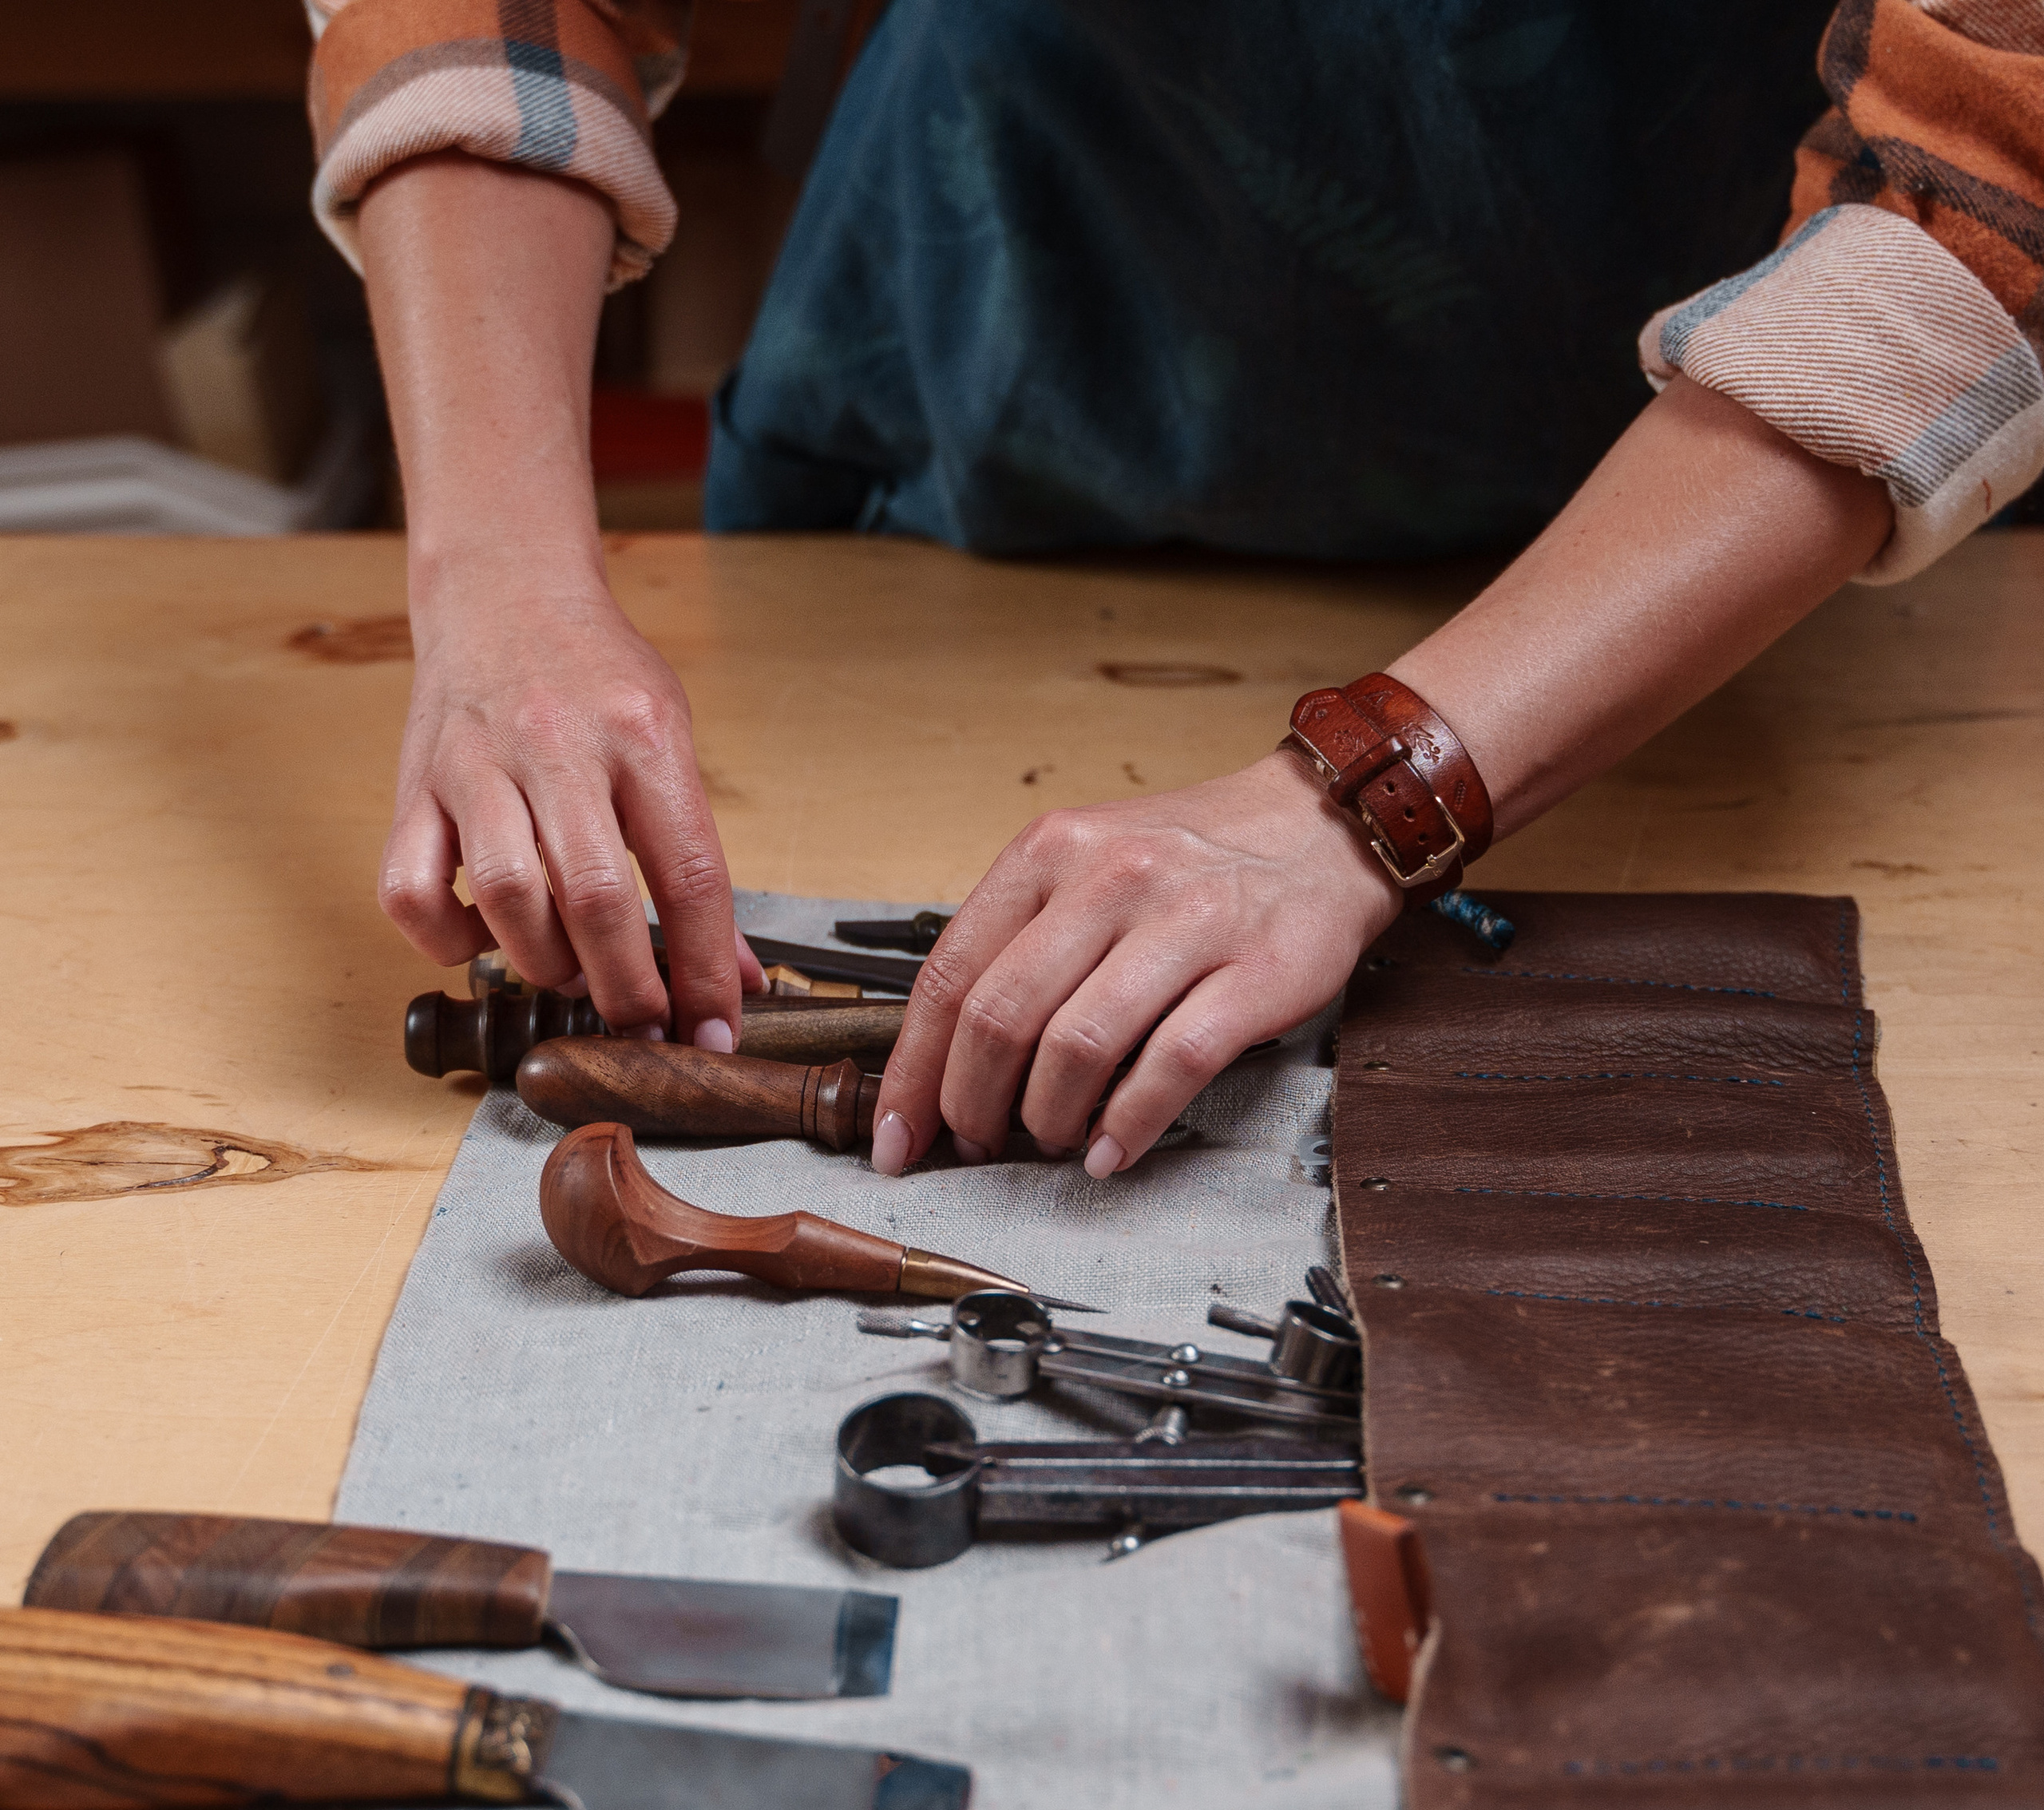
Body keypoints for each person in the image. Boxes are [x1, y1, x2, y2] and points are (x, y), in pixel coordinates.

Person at [307, 0, 2042, 1179]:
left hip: (1753, 552)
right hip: (970, 435)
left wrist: (1369, 790)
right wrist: (502, 584)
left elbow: (1990, 184)